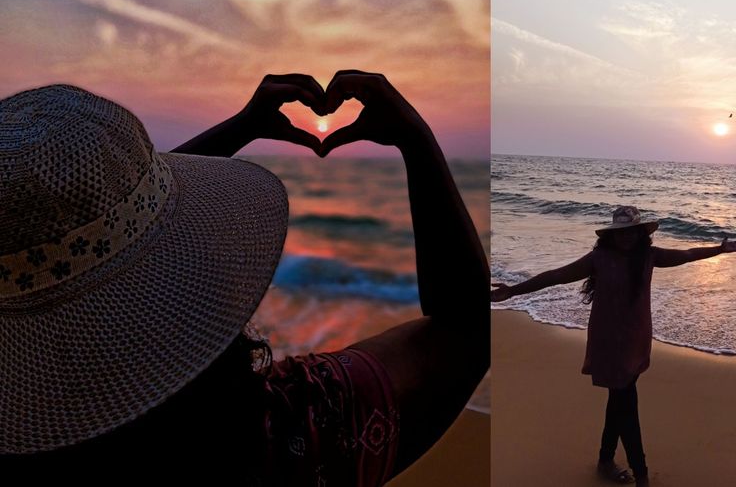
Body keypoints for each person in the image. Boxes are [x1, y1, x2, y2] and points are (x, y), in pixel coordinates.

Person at [0, 71, 489, 484]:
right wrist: (414, 137)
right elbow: (464, 329)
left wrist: (237, 129)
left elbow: (102, 238)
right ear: (189, 261)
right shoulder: (291, 436)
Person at [490, 204, 736, 485]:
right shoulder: (599, 258)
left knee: (618, 401)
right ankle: (641, 473)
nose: (626, 237)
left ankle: (605, 460)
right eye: (620, 233)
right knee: (626, 404)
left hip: (635, 339)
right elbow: (556, 275)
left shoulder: (649, 256)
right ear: (611, 235)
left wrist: (721, 248)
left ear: (641, 234)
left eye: (631, 232)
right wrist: (513, 291)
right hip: (608, 341)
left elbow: (688, 254)